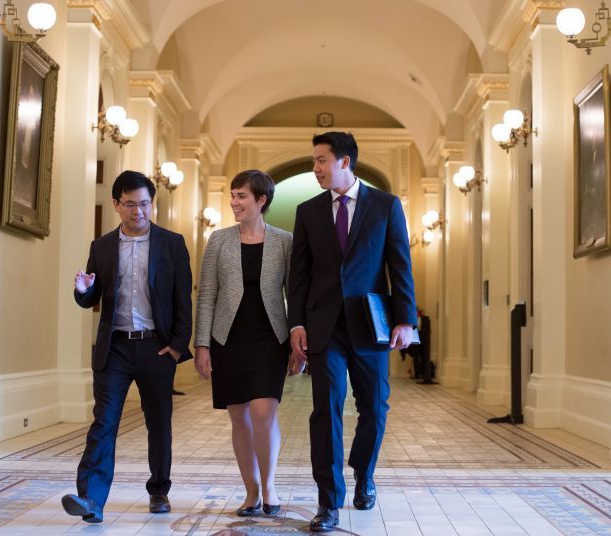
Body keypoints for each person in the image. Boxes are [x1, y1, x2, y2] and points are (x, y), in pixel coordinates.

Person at [288, 132, 417, 532]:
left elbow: (400, 266)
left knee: (375, 409)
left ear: (344, 161)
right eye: (313, 161)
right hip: (323, 328)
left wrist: (405, 320)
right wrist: (297, 322)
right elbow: (300, 275)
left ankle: (364, 475)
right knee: (325, 412)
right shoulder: (307, 211)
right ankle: (328, 501)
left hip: (370, 325)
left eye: (321, 161)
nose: (315, 168)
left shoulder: (385, 205)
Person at [61, 170, 193, 523]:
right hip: (115, 348)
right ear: (117, 205)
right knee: (104, 423)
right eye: (131, 204)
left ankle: (159, 489)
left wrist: (178, 347)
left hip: (156, 347)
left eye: (145, 204)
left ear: (153, 204)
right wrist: (83, 289)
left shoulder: (172, 243)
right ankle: (91, 499)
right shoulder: (101, 247)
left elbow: (184, 300)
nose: (139, 212)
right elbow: (91, 298)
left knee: (158, 423)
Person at [194, 170, 295, 517]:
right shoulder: (218, 240)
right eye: (233, 196)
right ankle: (250, 491)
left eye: (242, 197)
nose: (234, 202)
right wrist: (202, 345)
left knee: (264, 413)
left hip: (270, 338)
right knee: (240, 418)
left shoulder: (284, 241)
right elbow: (207, 294)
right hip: (228, 338)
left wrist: (298, 341)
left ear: (261, 200)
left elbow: (293, 295)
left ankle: (269, 485)